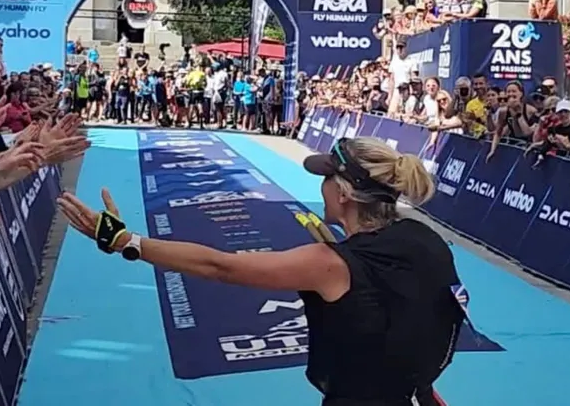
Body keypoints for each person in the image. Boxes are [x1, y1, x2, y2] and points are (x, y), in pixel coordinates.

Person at [57, 137, 465, 406]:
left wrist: (125, 241)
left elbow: (221, 266)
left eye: (325, 178)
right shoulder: (424, 239)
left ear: (342, 194)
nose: (320, 186)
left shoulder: (329, 264)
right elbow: (424, 318)